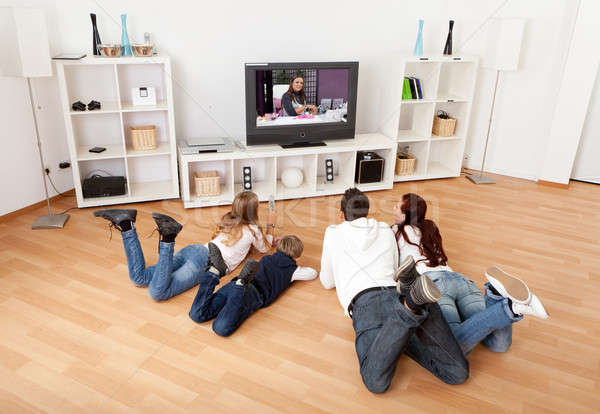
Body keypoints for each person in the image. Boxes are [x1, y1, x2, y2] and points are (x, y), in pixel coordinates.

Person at [319, 188, 469, 393]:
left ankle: (410, 308)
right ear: (366, 212)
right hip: (396, 293)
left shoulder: (333, 232)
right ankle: (416, 303)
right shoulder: (385, 229)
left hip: (365, 302)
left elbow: (327, 281)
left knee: (376, 382)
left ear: (342, 215)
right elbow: (393, 264)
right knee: (457, 373)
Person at [392, 193, 549, 355]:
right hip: (460, 280)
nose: (393, 209)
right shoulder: (431, 227)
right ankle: (503, 302)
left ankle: (502, 303)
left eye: (396, 206)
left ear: (404, 216)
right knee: (498, 345)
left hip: (434, 287)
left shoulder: (395, 231)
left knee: (453, 348)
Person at [93, 191, 274, 301]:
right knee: (158, 293)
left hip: (195, 250)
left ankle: (126, 224)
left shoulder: (228, 220)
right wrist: (271, 225)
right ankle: (168, 237)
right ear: (253, 210)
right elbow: (265, 249)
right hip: (205, 263)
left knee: (139, 278)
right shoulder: (253, 230)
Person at [189, 235, 317, 336]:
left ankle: (214, 273)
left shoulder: (267, 259)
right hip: (252, 294)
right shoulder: (292, 270)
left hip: (232, 284)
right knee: (221, 329)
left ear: (278, 249)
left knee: (196, 315)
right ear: (296, 257)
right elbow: (312, 273)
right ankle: (241, 285)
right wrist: (295, 268)